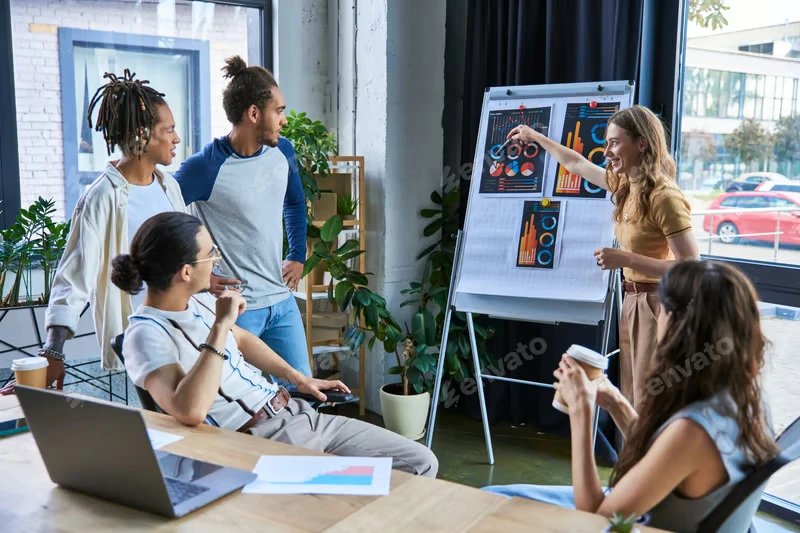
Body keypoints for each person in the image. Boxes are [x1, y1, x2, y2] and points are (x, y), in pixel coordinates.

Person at [110, 212, 438, 477]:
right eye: (210, 255)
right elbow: (189, 410)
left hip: (296, 414)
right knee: (355, 496)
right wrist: (221, 325)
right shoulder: (144, 335)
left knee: (420, 463)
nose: (215, 261)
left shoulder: (198, 301)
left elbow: (242, 338)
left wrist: (299, 378)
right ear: (186, 271)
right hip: (259, 441)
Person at [485, 260, 778, 532]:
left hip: (628, 523)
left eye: (661, 309)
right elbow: (664, 456)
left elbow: (596, 518)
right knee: (498, 496)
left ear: (675, 324)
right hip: (660, 516)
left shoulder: (693, 432)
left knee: (491, 500)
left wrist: (581, 411)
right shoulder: (749, 399)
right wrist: (615, 402)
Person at [1, 70, 185, 395]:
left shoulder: (168, 187)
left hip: (185, 336)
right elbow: (73, 277)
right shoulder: (102, 197)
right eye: (168, 130)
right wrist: (53, 350)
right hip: (141, 349)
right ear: (142, 135)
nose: (177, 138)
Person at [508, 105, 700, 408]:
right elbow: (577, 164)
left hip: (660, 302)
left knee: (651, 400)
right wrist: (535, 137)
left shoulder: (665, 197)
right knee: (634, 395)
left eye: (614, 143)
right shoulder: (627, 185)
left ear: (641, 143)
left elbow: (690, 267)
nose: (607, 151)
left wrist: (626, 260)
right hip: (634, 300)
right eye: (607, 142)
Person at [174, 56, 311, 382]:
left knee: (305, 396)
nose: (284, 120)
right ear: (254, 113)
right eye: (279, 111)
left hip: (282, 302)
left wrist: (297, 254)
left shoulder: (283, 152)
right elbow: (163, 224)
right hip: (236, 310)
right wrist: (201, 277)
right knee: (236, 404)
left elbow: (294, 202)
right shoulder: (205, 167)